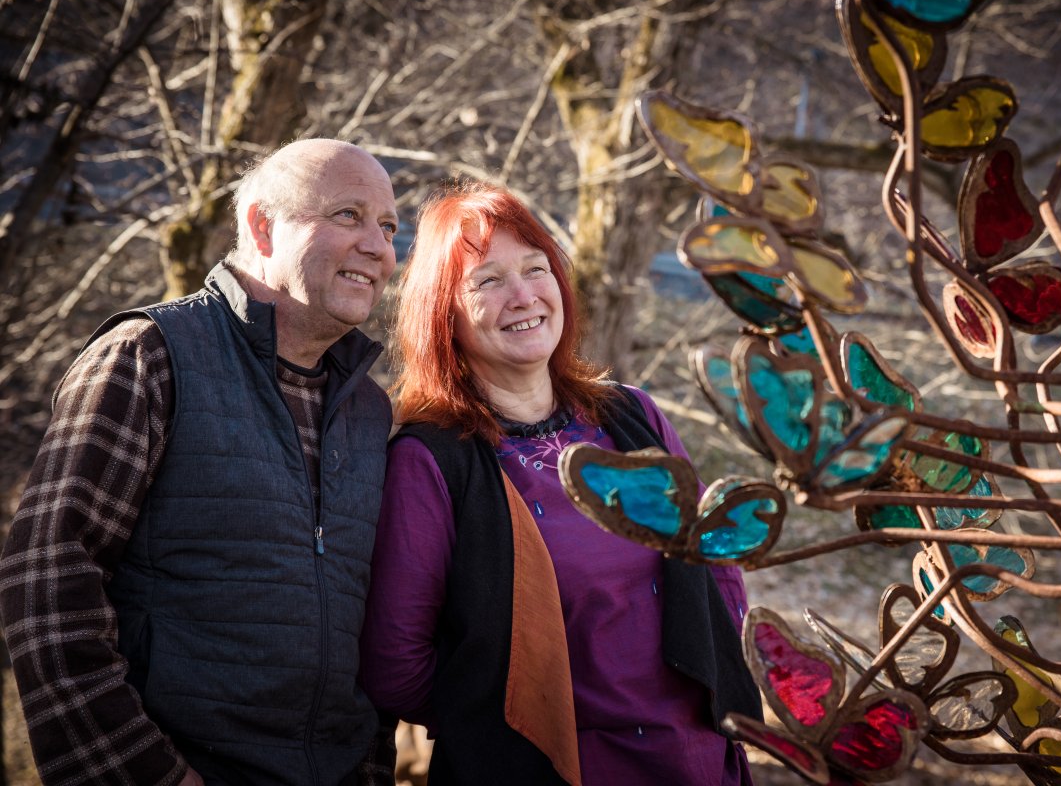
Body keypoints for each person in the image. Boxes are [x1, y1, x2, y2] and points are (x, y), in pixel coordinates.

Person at [0, 138, 401, 785]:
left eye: (388, 227)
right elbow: (46, 590)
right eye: (349, 215)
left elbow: (367, 636)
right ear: (262, 227)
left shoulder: (371, 412)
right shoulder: (149, 357)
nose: (380, 248)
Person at [359, 181, 762, 786]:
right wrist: (501, 729)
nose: (523, 296)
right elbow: (396, 664)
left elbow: (716, 563)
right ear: (443, 314)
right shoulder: (430, 461)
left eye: (535, 268)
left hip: (698, 761)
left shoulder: (633, 417)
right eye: (487, 281)